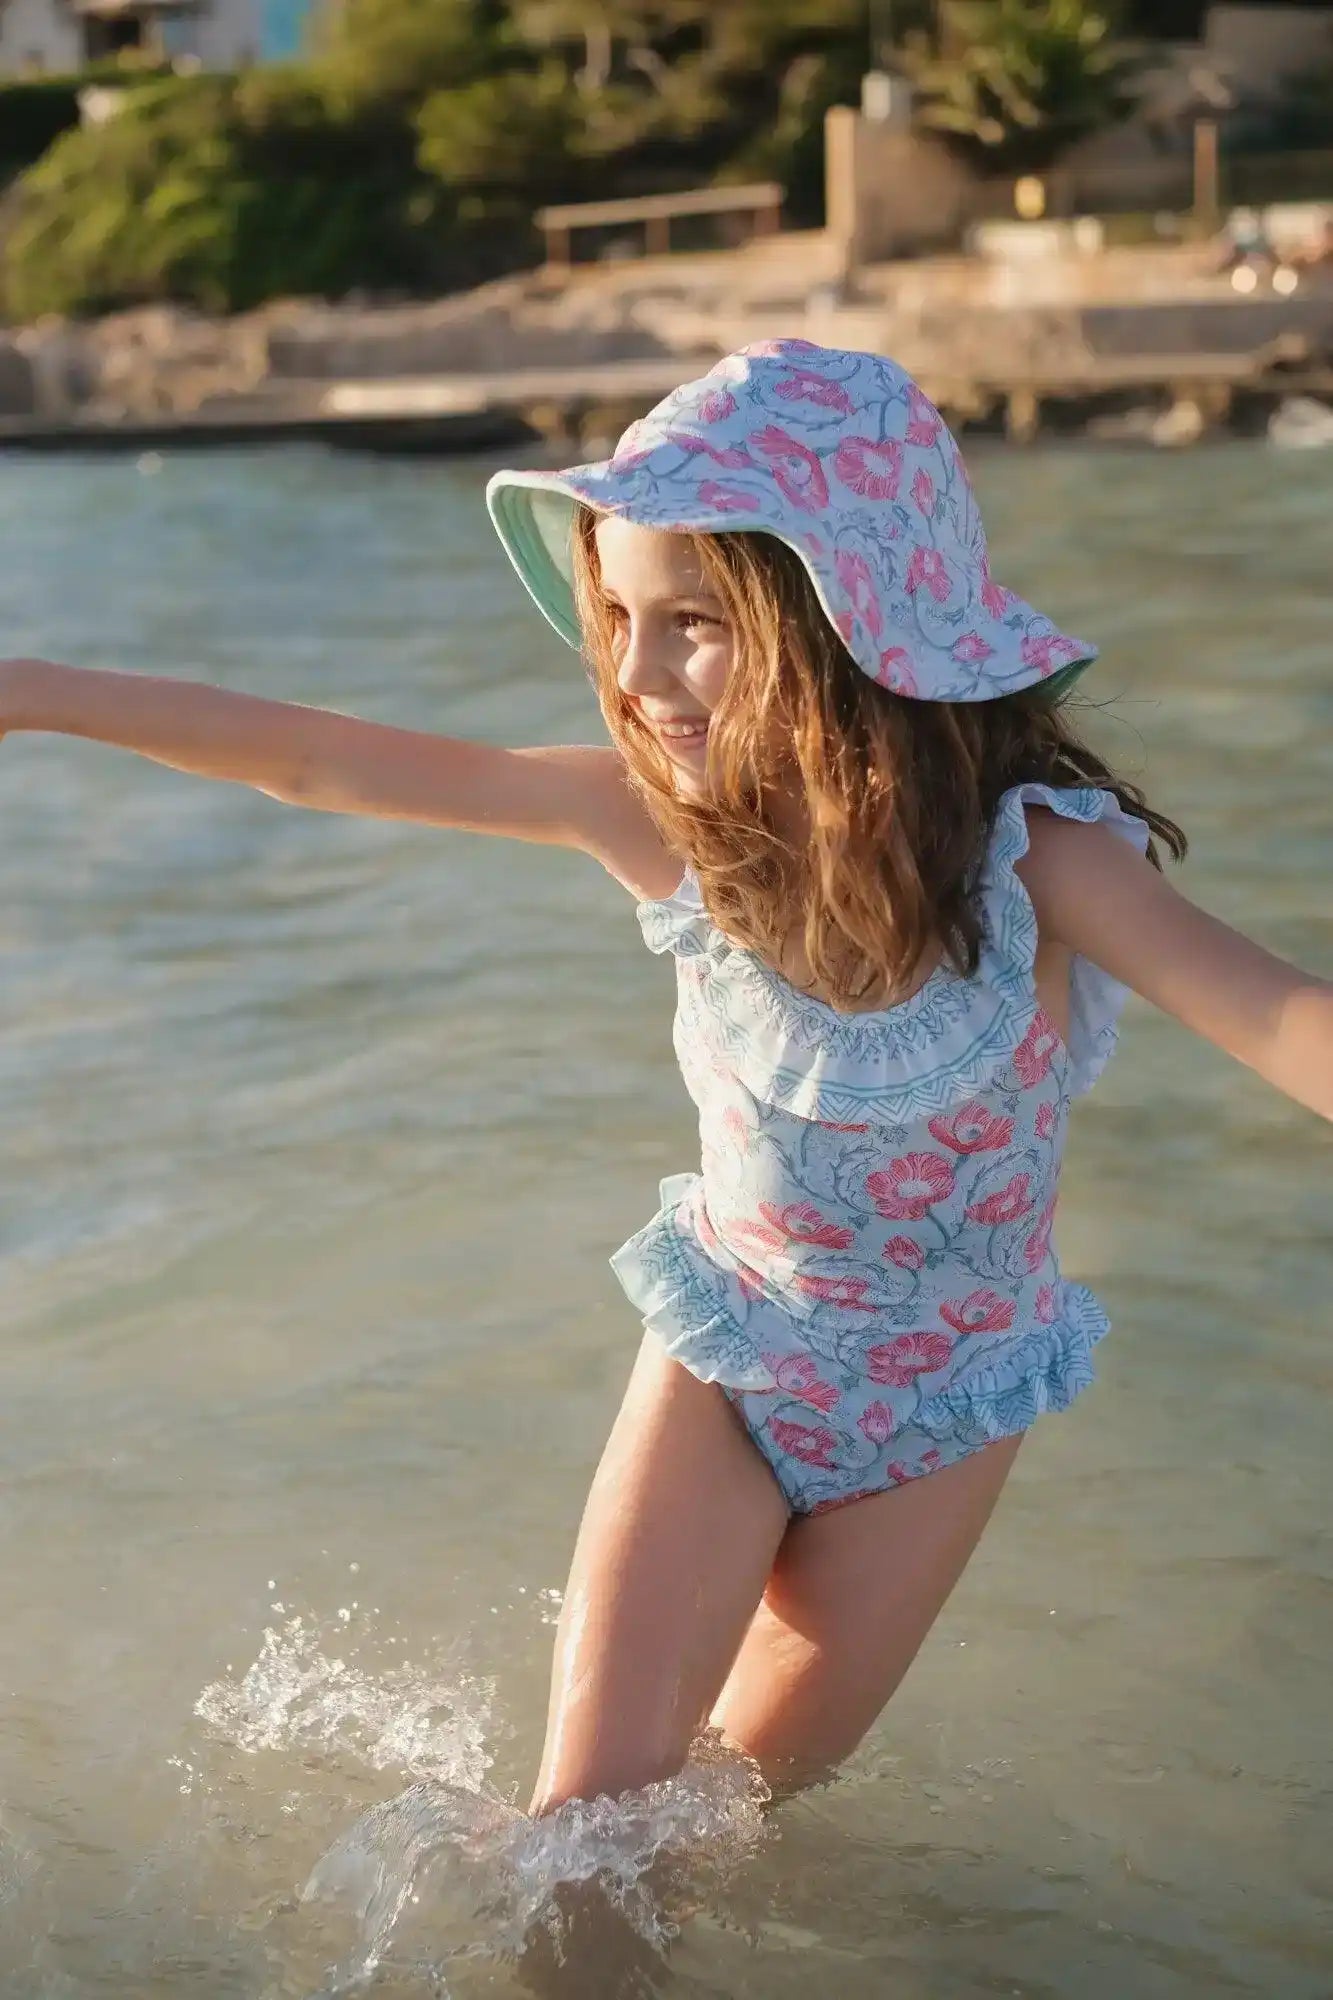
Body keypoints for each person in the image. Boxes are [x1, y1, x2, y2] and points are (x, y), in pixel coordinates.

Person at [2, 341, 1329, 1826]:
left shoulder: (1038, 869)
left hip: (944, 1420)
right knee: (586, 1835)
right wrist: (32, 690)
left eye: (690, 622)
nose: (636, 676)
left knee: (726, 1832)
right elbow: (320, 762)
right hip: (728, 1353)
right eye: (620, 618)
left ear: (844, 617)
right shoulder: (658, 828)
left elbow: (1285, 1025)